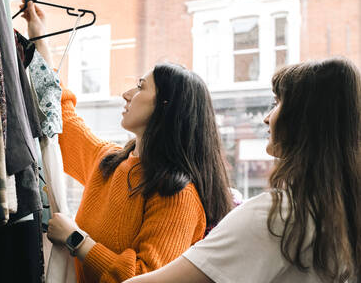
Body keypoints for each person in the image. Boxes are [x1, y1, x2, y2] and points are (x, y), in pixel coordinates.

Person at [20, 0, 234, 282]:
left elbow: (146, 277)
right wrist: (38, 37)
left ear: (166, 106)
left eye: (141, 87)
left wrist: (76, 239)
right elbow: (60, 115)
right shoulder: (108, 162)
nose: (127, 93)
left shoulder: (178, 195)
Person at [124, 58, 361, 283]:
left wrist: (85, 245)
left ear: (305, 119)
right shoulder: (337, 211)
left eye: (278, 103)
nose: (267, 118)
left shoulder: (277, 215)